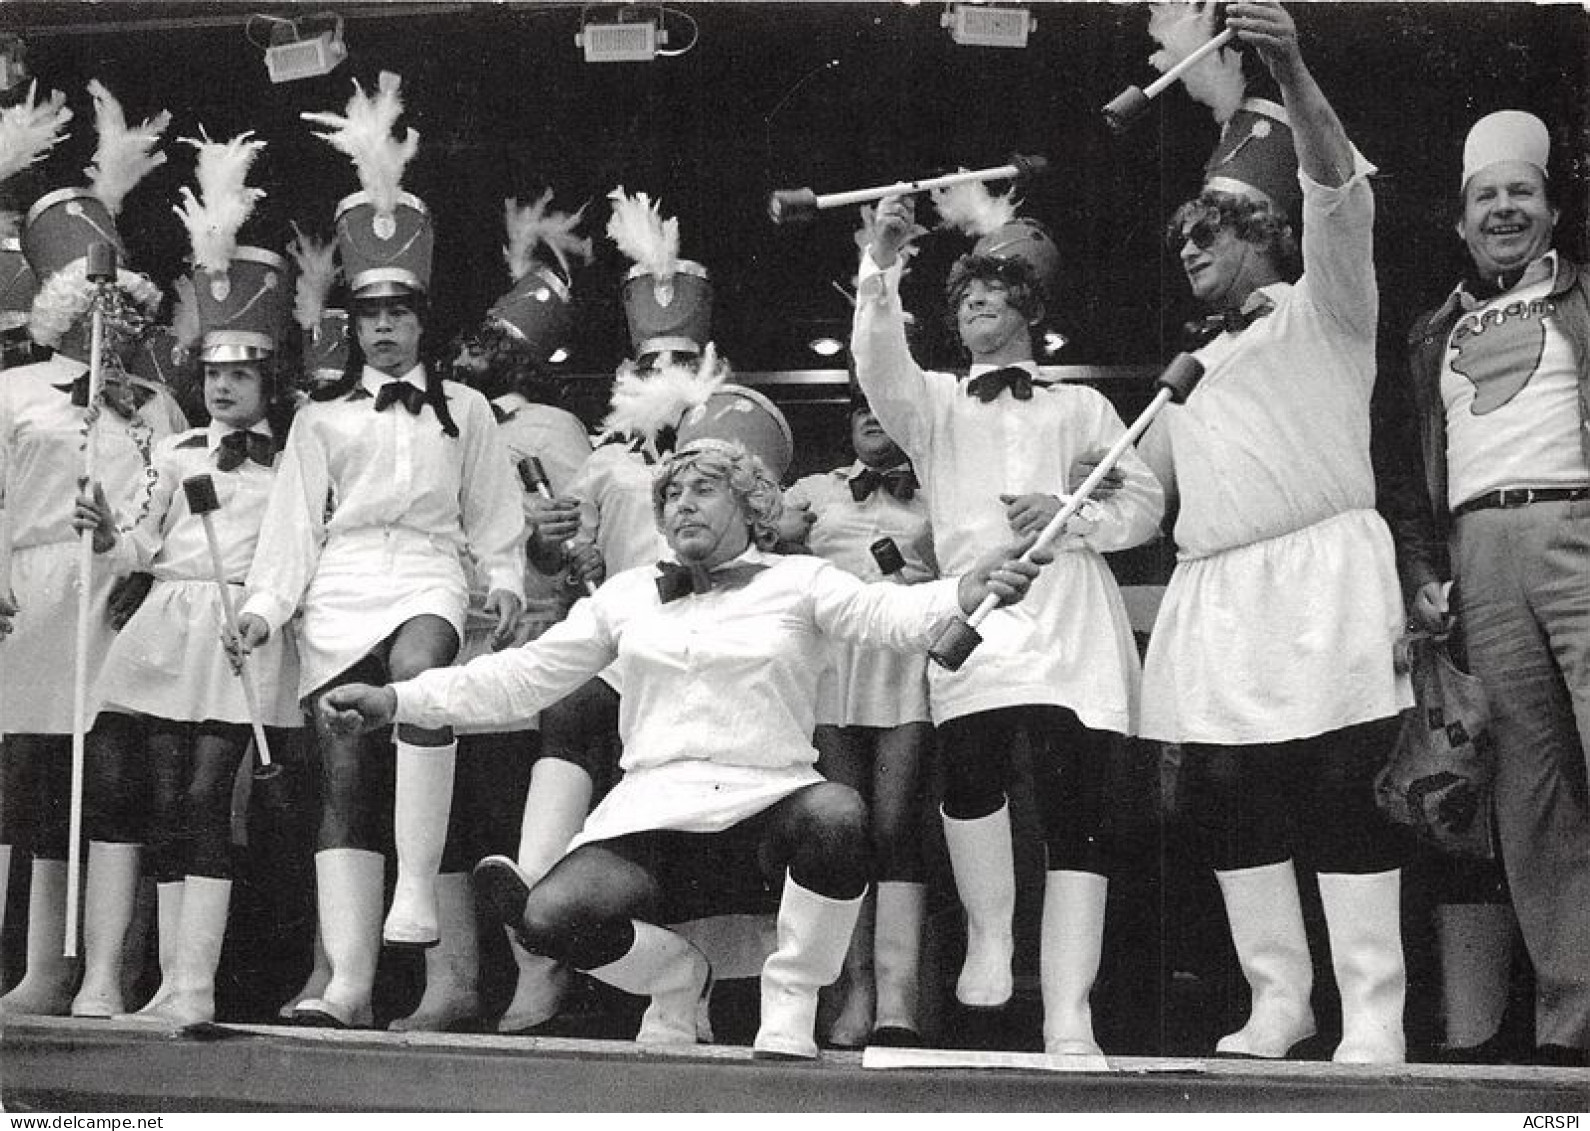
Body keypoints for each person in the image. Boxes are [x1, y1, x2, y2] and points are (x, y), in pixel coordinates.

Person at [317, 437, 1044, 1061]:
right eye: (671, 495)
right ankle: (676, 978)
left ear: (753, 505)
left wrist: (963, 590)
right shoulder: (628, 594)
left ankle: (789, 997)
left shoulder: (802, 579)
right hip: (652, 815)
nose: (683, 503)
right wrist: (398, 700)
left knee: (838, 813)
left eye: (705, 489)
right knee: (547, 917)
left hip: (766, 805)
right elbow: (521, 675)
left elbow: (891, 613)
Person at [1135, 1, 1412, 1064]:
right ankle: (1280, 1001)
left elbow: (1339, 191)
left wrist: (1290, 69)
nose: (1190, 245)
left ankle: (1374, 1008)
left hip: (1322, 568)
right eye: (1182, 234)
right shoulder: (1189, 367)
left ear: (1267, 234)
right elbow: (1130, 498)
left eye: (1211, 226)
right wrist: (1053, 516)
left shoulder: (1328, 305)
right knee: (1228, 795)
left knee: (1344, 784)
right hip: (1218, 588)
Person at [235, 73, 525, 1028]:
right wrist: (262, 609)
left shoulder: (470, 410)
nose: (386, 326)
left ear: (420, 318)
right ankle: (351, 983)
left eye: (400, 313)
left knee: (420, 674)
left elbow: (493, 514)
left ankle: (414, 895)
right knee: (346, 776)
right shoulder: (318, 418)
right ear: (353, 324)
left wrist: (511, 579)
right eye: (370, 315)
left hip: (430, 577)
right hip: (344, 581)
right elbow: (290, 532)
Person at [855, 183, 1163, 1056]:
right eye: (962, 296)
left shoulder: (1083, 407)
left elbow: (1140, 505)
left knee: (1078, 807)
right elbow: (880, 365)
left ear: (1029, 308)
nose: (976, 304)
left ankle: (1071, 1008)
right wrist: (882, 263)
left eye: (992, 291)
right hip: (977, 609)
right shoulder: (936, 405)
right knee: (971, 766)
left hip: (1069, 612)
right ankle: (992, 934)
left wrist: (1071, 514)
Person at [1389, 108, 1589, 1067]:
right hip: (1480, 556)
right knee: (1531, 794)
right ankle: (1572, 1026)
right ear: (1462, 225)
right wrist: (1427, 574)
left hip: (1578, 530)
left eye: (1521, 192)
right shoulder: (1434, 330)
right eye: (1485, 198)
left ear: (1552, 212)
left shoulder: (1584, 298)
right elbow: (1411, 479)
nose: (1504, 208)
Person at [74, 213, 300, 1027]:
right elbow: (141, 541)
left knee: (209, 796)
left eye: (241, 374)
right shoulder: (175, 455)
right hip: (168, 624)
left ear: (270, 379)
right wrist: (109, 533)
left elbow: (300, 555)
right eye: (212, 374)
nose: (224, 387)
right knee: (165, 796)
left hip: (243, 627)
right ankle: (167, 980)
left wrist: (269, 612)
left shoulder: (296, 460)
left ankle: (199, 981)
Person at [0, 83, 180, 1019]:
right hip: (31, 596)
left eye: (124, 300)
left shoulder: (157, 407)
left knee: (112, 777)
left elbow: (183, 513)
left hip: (120, 601)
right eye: (94, 298)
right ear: (64, 310)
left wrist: (138, 557)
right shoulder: (18, 393)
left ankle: (110, 968)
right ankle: (42, 967)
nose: (111, 314)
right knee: (34, 780)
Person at [783, 388, 936, 1047]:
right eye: (858, 406)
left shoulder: (942, 485)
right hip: (833, 672)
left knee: (896, 824)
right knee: (846, 825)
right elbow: (764, 533)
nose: (872, 415)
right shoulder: (816, 488)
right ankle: (856, 989)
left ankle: (899, 993)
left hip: (908, 668)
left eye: (885, 403)